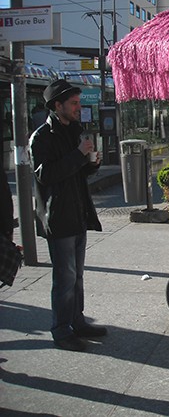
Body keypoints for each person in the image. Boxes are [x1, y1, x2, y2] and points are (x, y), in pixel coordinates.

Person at [29, 79, 104, 352]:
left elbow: (78, 172)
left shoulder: (75, 131)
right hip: (58, 217)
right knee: (65, 278)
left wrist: (91, 163)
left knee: (78, 276)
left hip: (78, 213)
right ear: (56, 105)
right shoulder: (41, 137)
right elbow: (45, 175)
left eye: (78, 103)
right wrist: (77, 155)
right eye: (73, 103)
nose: (78, 108)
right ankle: (61, 330)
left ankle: (77, 321)